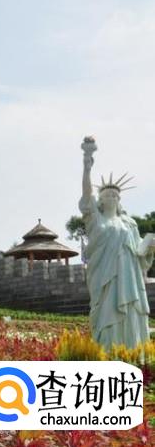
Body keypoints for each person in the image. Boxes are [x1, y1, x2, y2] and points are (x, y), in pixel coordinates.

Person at [79, 136, 154, 351]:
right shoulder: (96, 220)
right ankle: (108, 352)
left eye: (115, 195)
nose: (112, 196)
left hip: (129, 279)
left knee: (131, 312)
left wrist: (149, 248)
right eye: (107, 194)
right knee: (107, 313)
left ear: (119, 200)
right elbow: (87, 194)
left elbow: (140, 253)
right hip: (105, 277)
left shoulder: (130, 223)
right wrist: (87, 164)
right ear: (100, 200)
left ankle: (133, 353)